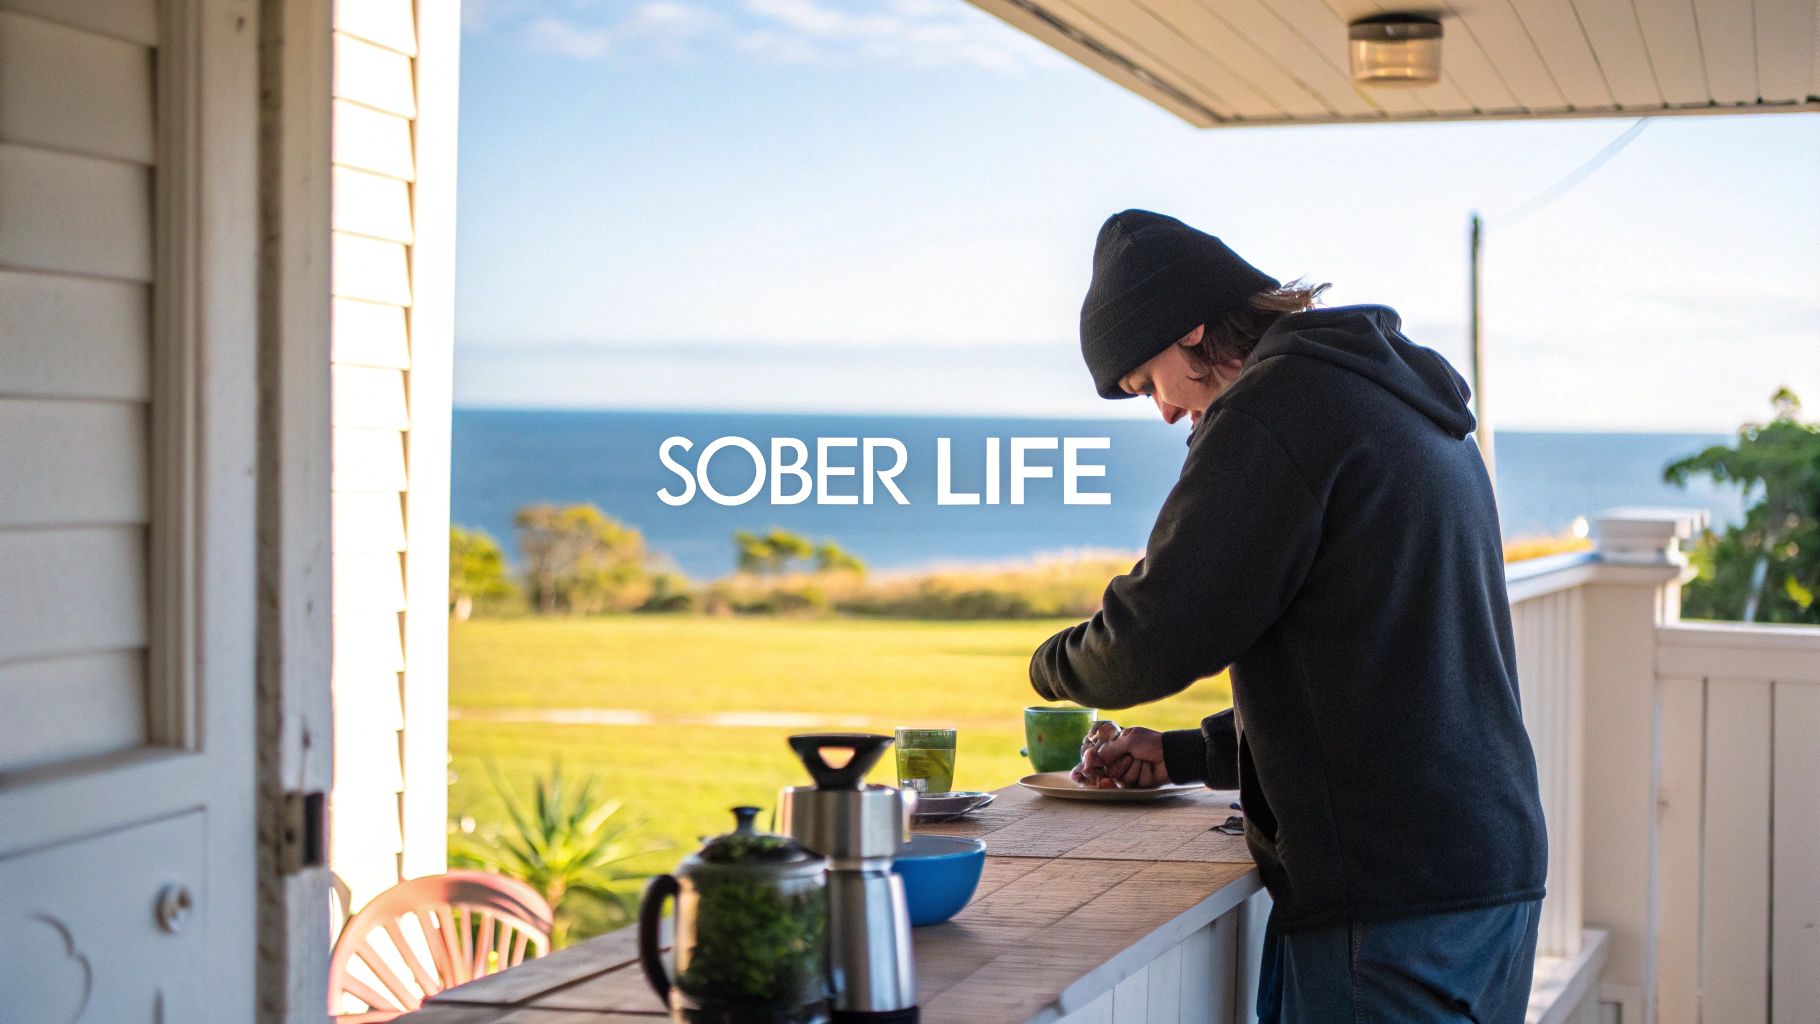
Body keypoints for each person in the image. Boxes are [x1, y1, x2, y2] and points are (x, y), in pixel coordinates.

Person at [1029, 210, 1546, 1023]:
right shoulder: (1386, 396)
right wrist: (1186, 752)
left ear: (1190, 326)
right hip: (1482, 868)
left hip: (1390, 896)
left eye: (1147, 382)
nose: (1163, 411)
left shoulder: (1276, 408)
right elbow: (1376, 667)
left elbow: (1156, 635)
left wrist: (1050, 664)